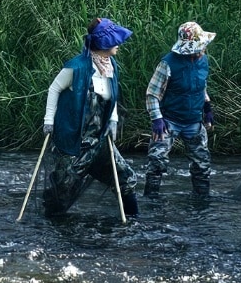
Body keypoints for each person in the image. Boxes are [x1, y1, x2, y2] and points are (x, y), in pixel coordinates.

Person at [41, 17, 138, 218]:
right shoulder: (76, 67)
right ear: (104, 43)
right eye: (115, 40)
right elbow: (54, 89)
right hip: (73, 140)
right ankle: (50, 228)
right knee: (62, 190)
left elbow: (112, 96)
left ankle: (134, 224)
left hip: (100, 139)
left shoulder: (111, 67)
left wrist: (113, 120)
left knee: (126, 178)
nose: (119, 44)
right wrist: (48, 122)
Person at [144, 20, 215, 200]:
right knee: (157, 161)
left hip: (194, 121)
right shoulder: (167, 64)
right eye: (200, 46)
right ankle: (152, 201)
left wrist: (207, 107)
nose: (203, 49)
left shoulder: (203, 61)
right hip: (169, 121)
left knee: (202, 164)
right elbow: (152, 94)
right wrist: (156, 119)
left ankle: (201, 201)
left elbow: (200, 85)